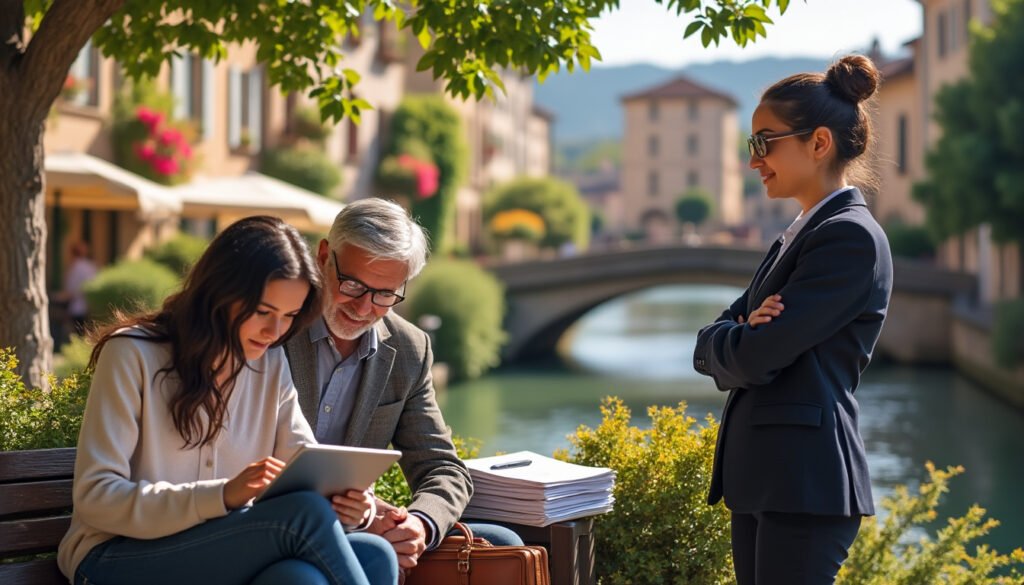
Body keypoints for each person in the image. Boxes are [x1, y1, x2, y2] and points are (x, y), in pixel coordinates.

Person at [57, 216, 399, 585]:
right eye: (264, 312)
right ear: (220, 293)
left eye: (289, 316)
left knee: (355, 561)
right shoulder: (131, 354)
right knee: (303, 516)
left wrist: (353, 507)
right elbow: (96, 498)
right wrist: (221, 494)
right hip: (115, 557)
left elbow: (305, 464)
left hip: (219, 550)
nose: (275, 332)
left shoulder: (268, 362)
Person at [692, 55, 893, 585]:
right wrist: (735, 334)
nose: (753, 160)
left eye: (764, 142)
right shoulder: (801, 232)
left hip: (806, 485)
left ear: (819, 142)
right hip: (770, 481)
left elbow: (757, 355)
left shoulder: (848, 237)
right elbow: (714, 338)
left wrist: (737, 338)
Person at [284, 198, 523, 576]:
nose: (364, 308)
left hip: (358, 522)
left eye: (385, 294)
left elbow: (443, 468)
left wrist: (420, 526)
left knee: (503, 543)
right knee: (372, 553)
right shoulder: (275, 324)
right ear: (324, 256)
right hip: (278, 522)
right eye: (353, 285)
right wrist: (369, 517)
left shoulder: (409, 348)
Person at [60, 240, 98, 335]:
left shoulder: (75, 268)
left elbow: (70, 291)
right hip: (90, 306)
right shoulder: (91, 266)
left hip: (77, 308)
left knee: (77, 335)